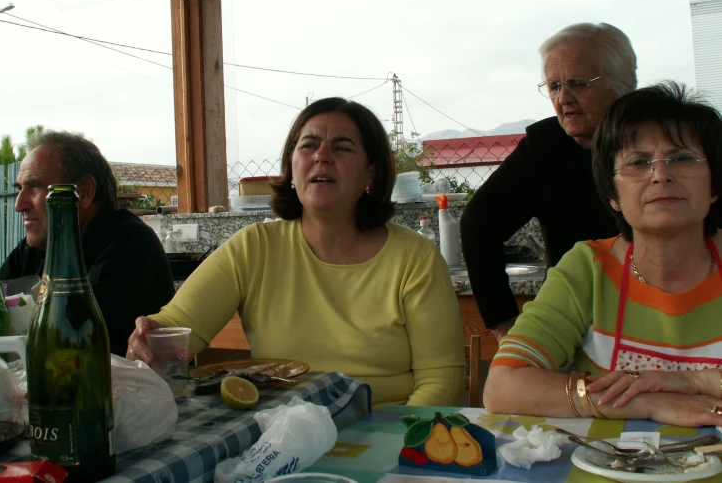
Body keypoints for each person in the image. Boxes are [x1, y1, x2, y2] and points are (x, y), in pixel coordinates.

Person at [127, 97, 466, 407]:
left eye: (342, 147)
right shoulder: (254, 248)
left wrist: (398, 452)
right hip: (280, 434)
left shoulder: (415, 258)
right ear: (292, 167)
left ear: (371, 171)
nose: (321, 155)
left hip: (385, 433)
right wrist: (150, 339)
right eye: (309, 145)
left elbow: (442, 381)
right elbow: (177, 327)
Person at [484, 82, 722, 428]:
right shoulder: (588, 269)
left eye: (681, 158)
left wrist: (692, 382)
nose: (661, 175)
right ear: (613, 195)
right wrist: (649, 402)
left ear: (714, 185)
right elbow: (502, 387)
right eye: (638, 162)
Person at [460, 23, 638, 342]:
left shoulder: (668, 140)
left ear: (623, 84)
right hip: (576, 325)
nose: (563, 98)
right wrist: (503, 323)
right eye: (554, 86)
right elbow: (478, 223)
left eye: (578, 83)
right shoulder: (547, 146)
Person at [0, 131, 175, 356]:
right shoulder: (32, 250)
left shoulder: (129, 245)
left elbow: (69, 341)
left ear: (83, 191)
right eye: (19, 189)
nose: (19, 204)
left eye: (34, 187)